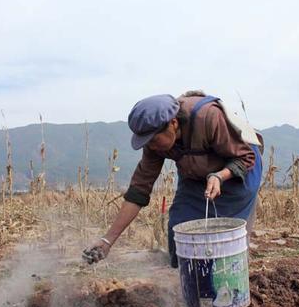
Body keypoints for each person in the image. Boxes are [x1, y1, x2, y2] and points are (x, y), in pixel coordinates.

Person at [83, 90, 263, 268]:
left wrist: (220, 176)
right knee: (179, 228)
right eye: (146, 142)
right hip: (195, 174)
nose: (151, 146)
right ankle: (185, 282)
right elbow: (139, 191)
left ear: (173, 123)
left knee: (224, 236)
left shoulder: (208, 117)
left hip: (238, 168)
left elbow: (245, 157)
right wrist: (107, 241)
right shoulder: (153, 145)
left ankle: (229, 280)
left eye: (153, 140)